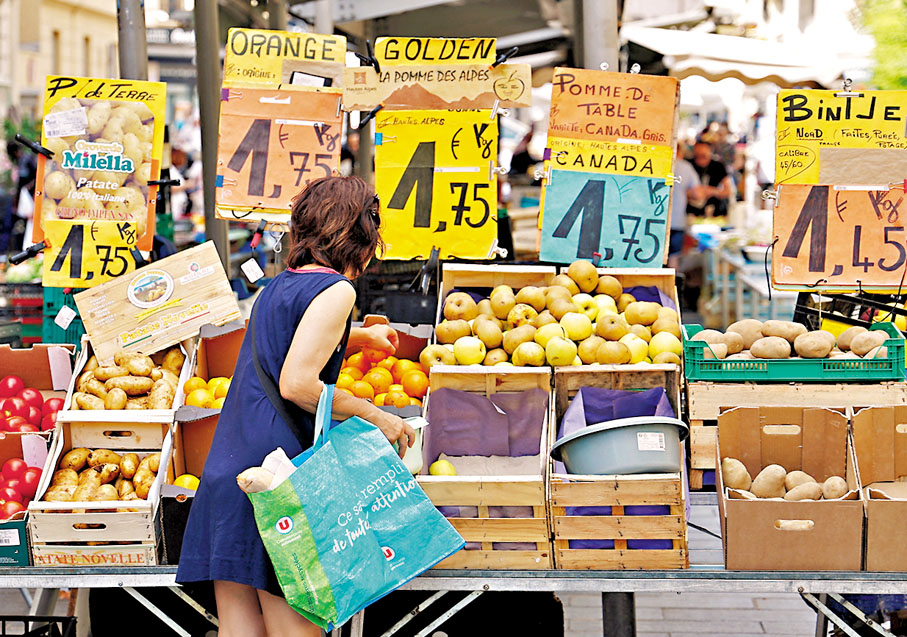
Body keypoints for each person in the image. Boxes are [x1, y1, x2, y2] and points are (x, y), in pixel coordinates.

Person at [176, 176, 416, 637]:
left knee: (240, 630)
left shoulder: (276, 287)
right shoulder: (338, 290)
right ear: (361, 232)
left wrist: (361, 337)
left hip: (230, 471)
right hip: (278, 480)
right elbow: (297, 384)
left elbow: (286, 342)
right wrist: (376, 414)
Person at [668, 143, 704, 269]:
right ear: (680, 151)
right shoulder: (685, 167)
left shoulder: (655, 162)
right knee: (673, 260)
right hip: (676, 221)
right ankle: (673, 281)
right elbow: (698, 195)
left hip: (653, 221)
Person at [686, 139, 733, 218]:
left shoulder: (718, 166)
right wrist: (692, 193)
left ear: (710, 153)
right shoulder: (687, 165)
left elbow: (728, 191)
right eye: (697, 155)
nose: (700, 159)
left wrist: (712, 191)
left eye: (703, 155)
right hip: (690, 213)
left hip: (713, 213)